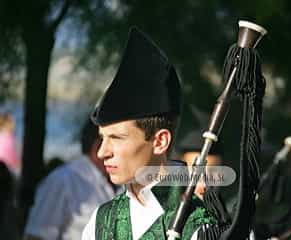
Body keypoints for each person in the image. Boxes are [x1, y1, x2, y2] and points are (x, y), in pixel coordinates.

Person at [82, 27, 216, 240]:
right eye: (102, 138)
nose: (102, 153)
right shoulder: (101, 220)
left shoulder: (200, 225)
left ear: (160, 141)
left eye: (116, 138)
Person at [23, 119, 123, 240]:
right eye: (119, 143)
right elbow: (37, 236)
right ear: (98, 147)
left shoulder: (124, 183)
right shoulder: (62, 181)